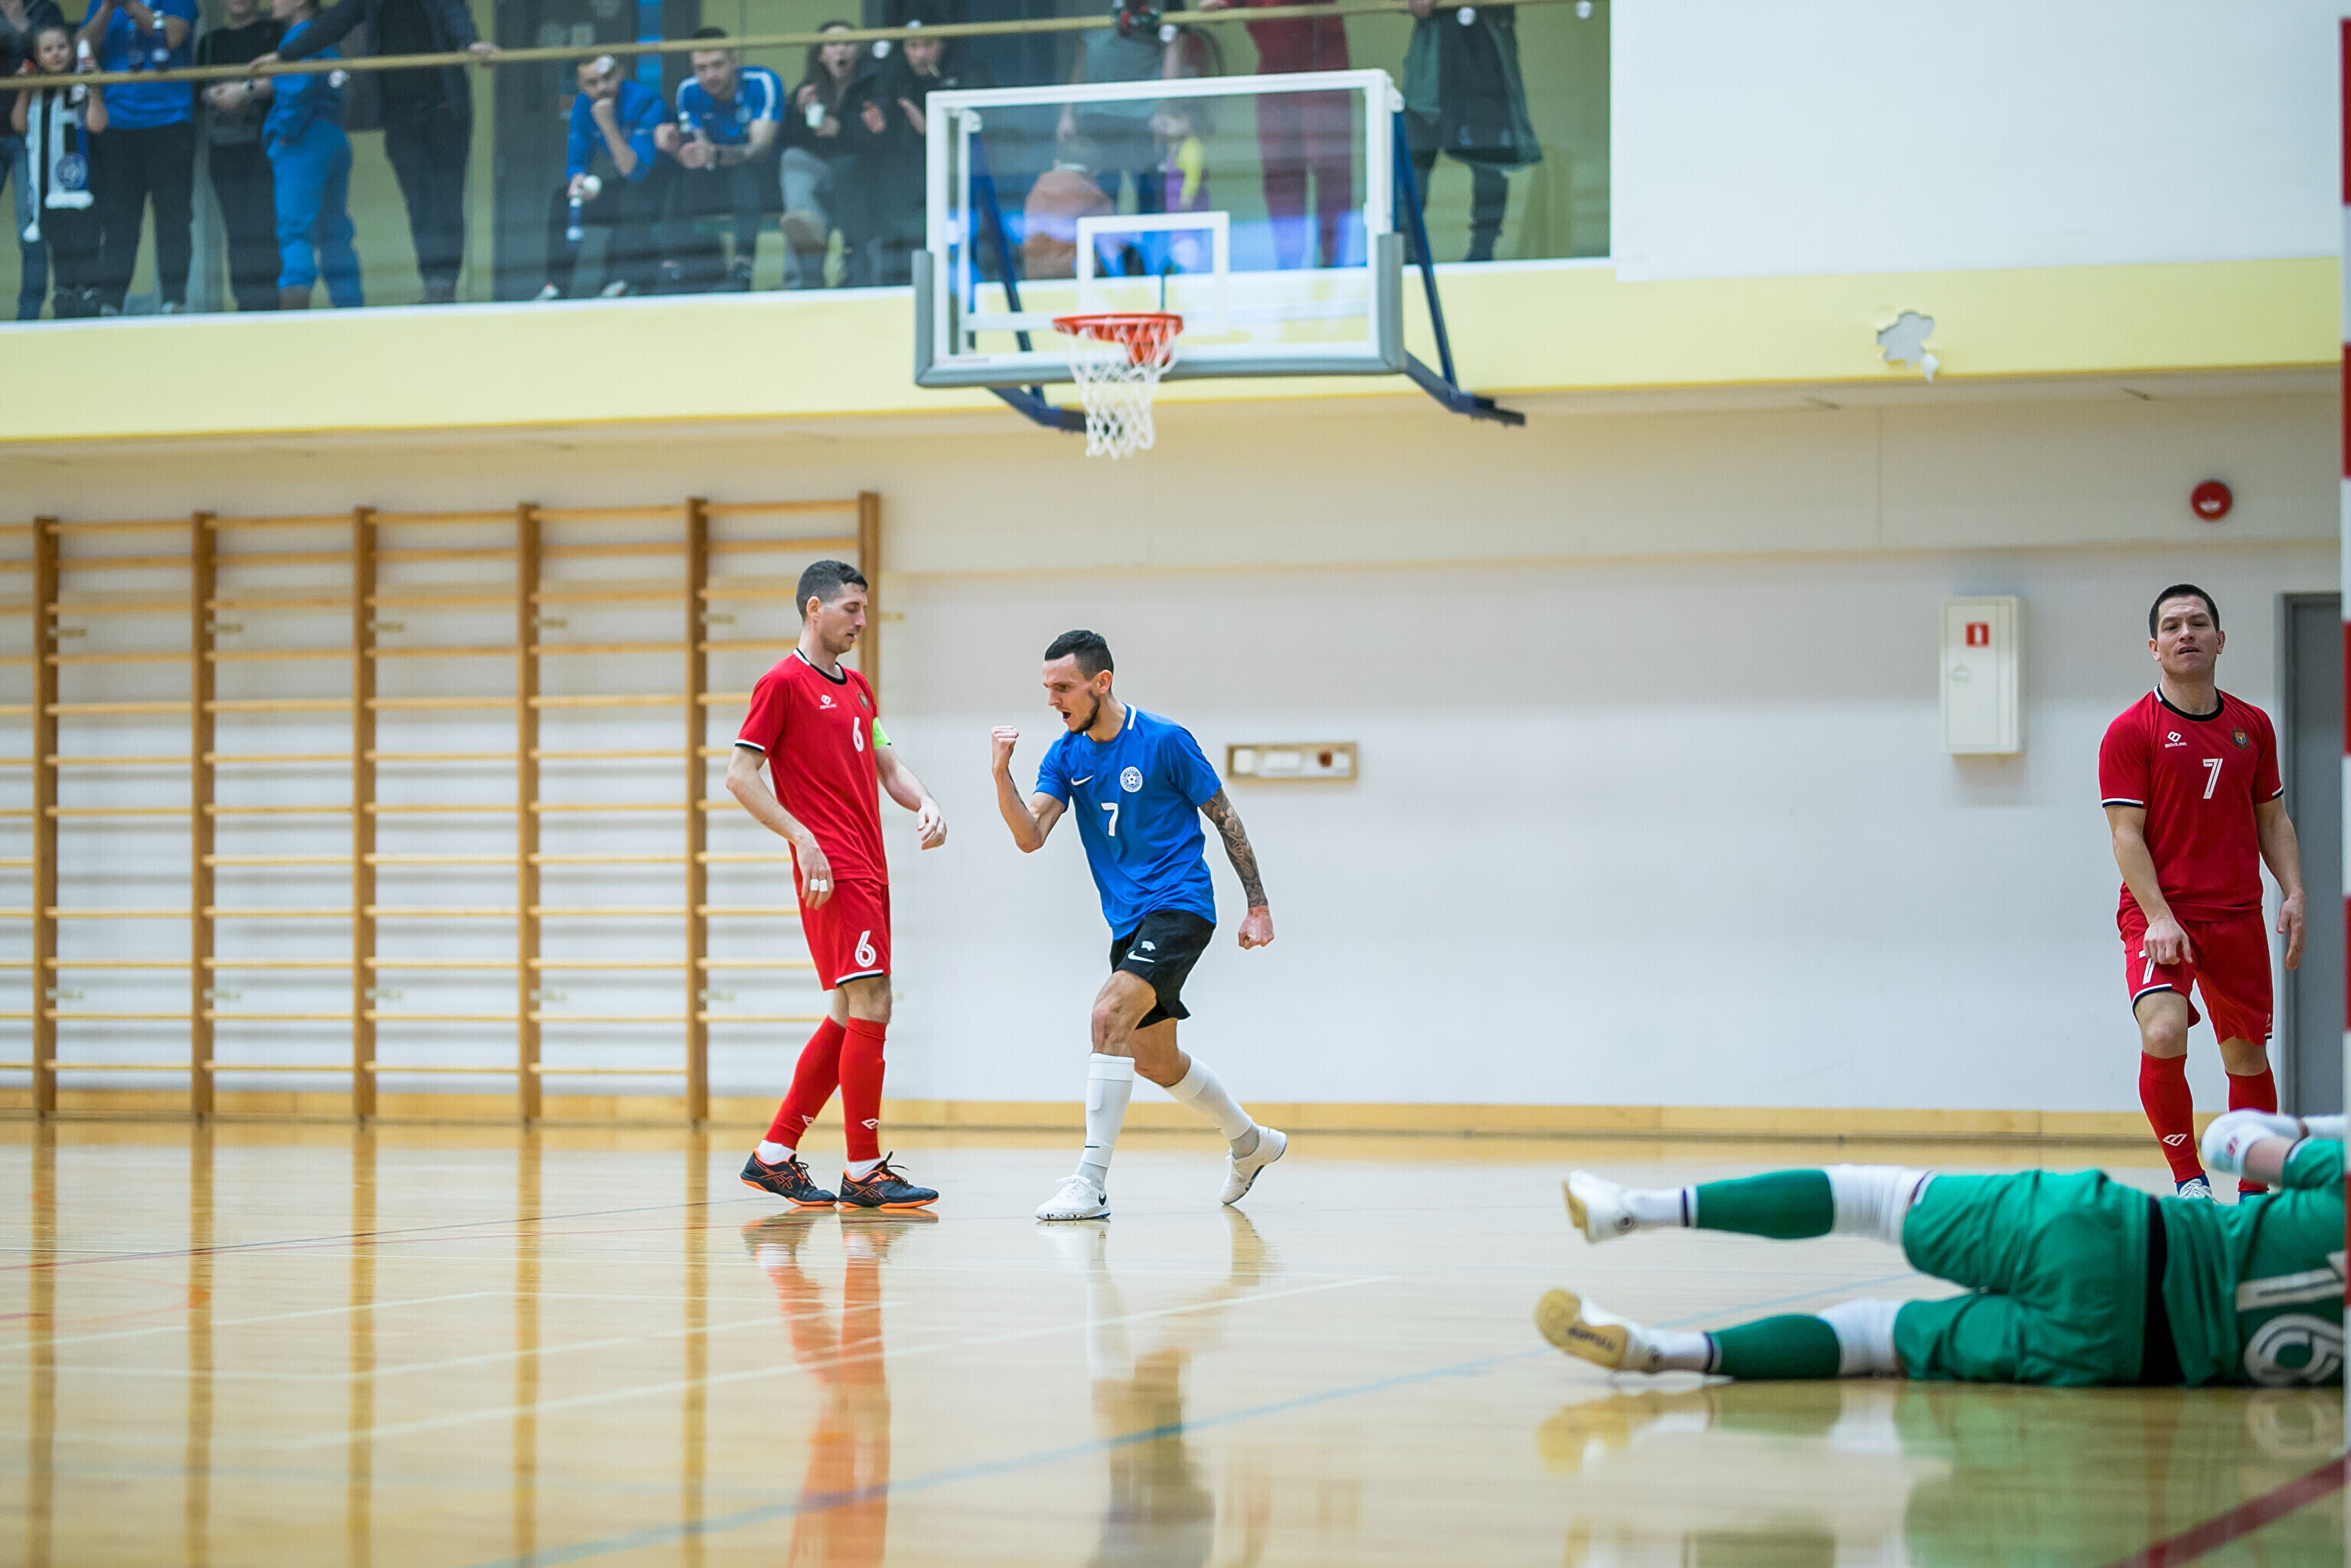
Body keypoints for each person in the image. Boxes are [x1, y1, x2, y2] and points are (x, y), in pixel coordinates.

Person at [1538, 1109, 2345, 1388]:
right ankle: (1660, 1352)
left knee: (1873, 1197)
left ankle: (1632, 1210)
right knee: (1875, 1339)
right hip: (2122, 1356)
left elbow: (2226, 1139)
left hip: (2107, 1238)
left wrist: (2321, 1131)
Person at [989, 629, 1287, 1222]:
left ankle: (1090, 1182)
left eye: (1063, 687)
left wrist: (1257, 904)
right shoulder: (1065, 756)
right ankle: (1250, 1141)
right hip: (1128, 920)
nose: (1052, 700)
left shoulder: (1164, 740)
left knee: (1106, 1016)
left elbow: (1225, 819)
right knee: (1153, 1059)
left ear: (1101, 683)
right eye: (1047, 688)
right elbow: (1029, 836)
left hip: (1180, 906)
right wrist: (1001, 774)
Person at [728, 560, 945, 1212]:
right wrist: (803, 839)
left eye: (864, 608)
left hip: (868, 864)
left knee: (848, 1012)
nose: (862, 621)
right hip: (833, 867)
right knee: (872, 998)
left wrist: (925, 801)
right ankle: (863, 1170)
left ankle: (774, 1155)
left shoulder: (857, 688)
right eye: (851, 608)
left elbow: (887, 765)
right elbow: (740, 777)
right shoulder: (782, 683)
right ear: (814, 608)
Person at [2101, 584, 2306, 1200]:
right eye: (2171, 626)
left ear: (2219, 640)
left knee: (2246, 1057)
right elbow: (2124, 835)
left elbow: (2272, 819)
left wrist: (2292, 891)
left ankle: (2252, 1195)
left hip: (2236, 914)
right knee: (2163, 1031)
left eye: (2197, 623)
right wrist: (2159, 917)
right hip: (2160, 913)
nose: (2184, 633)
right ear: (2153, 647)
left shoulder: (2252, 726)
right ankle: (2188, 1179)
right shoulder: (2130, 731)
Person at [260, 0, 493, 303]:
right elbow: (335, 21)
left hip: (443, 110)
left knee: (446, 199)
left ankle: (442, 285)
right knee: (419, 203)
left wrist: (472, 43)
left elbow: (453, 12)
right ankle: (435, 285)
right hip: (399, 116)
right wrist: (283, 55)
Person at [1197, 0, 1350, 270]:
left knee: (1329, 163)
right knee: (1279, 167)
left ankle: (1333, 259)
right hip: (1274, 63)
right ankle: (1289, 260)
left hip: (1323, 59)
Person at [77, 0, 196, 312]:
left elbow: (173, 35)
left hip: (170, 120)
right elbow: (81, 46)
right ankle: (111, 303)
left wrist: (130, 5)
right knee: (118, 219)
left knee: (173, 216)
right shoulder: (102, 3)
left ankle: (173, 300)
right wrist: (107, 9)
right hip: (117, 123)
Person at [1399, 0, 1538, 263]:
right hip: (1432, 58)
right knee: (1415, 159)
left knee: (1489, 156)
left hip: (1485, 50)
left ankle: (1482, 253)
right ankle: (1407, 254)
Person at [846, 20, 981, 287]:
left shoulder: (966, 73)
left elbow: (981, 131)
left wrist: (932, 131)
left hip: (953, 173)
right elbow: (869, 139)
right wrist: (876, 130)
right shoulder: (888, 79)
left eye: (928, 45)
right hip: (900, 182)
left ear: (942, 45)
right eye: (913, 46)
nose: (920, 54)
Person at [655, 26, 781, 292]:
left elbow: (760, 149)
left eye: (717, 65)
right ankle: (671, 269)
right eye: (700, 68)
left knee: (745, 171)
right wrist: (677, 148)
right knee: (678, 177)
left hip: (765, 177)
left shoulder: (762, 82)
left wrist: (715, 154)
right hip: (717, 176)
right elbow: (699, 148)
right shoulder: (688, 90)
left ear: (734, 60)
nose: (709, 75)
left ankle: (743, 267)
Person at [537, 53, 664, 301]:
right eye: (592, 83)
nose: (601, 88)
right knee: (562, 200)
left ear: (620, 73)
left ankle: (618, 284)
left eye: (607, 78)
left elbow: (634, 171)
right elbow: (577, 159)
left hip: (665, 189)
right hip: (629, 188)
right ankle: (557, 288)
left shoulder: (645, 101)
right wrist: (578, 180)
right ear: (580, 85)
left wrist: (606, 124)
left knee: (631, 195)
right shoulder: (583, 105)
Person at [262, 0, 358, 308]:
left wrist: (284, 133)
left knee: (295, 231)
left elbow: (297, 86)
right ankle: (351, 310)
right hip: (333, 135)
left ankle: (294, 314)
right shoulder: (326, 35)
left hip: (302, 141)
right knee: (335, 232)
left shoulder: (299, 37)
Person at [194, 0, 281, 312]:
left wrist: (245, 91)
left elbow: (288, 79)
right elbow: (198, 89)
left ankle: (271, 303)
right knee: (237, 230)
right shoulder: (210, 41)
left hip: (268, 145)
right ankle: (246, 305)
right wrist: (217, 96)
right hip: (224, 146)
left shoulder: (274, 31)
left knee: (265, 226)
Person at [11, 19, 101, 315]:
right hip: (47, 188)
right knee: (59, 250)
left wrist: (95, 86)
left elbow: (97, 124)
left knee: (86, 246)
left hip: (83, 185)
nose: (56, 54)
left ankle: (89, 303)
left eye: (62, 47)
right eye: (48, 50)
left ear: (72, 50)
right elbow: (20, 125)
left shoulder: (81, 84)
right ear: (37, 56)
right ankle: (63, 304)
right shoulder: (36, 90)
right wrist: (25, 88)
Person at [778, 21, 863, 289]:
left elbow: (880, 138)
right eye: (833, 45)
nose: (841, 50)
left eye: (848, 44)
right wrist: (797, 113)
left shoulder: (873, 83)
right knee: (793, 160)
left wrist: (841, 129)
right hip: (820, 173)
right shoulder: (808, 89)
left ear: (858, 50)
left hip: (860, 176)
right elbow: (788, 141)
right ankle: (802, 277)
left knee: (849, 171)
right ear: (821, 55)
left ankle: (850, 276)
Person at [2, 0, 67, 318]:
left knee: (31, 229)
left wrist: (16, 18)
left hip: (28, 135)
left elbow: (53, 56)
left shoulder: (46, 10)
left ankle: (28, 316)